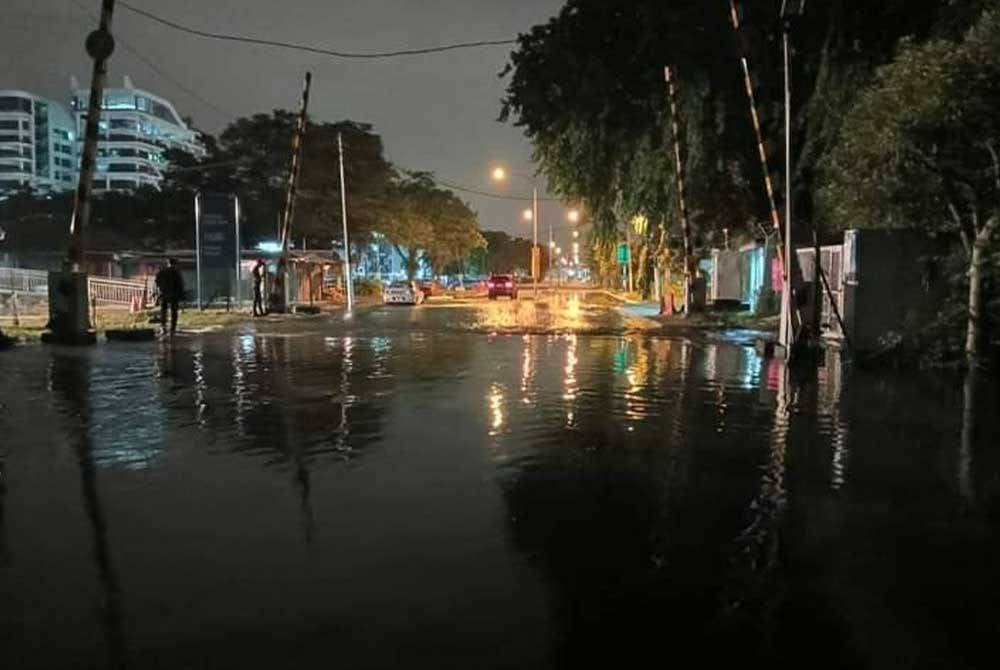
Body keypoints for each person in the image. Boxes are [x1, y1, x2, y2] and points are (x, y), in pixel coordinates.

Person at [155, 258, 184, 336]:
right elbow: (180, 285)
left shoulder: (162, 271)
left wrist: (160, 290)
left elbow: (157, 281)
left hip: (164, 294)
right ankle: (172, 329)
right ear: (174, 264)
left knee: (163, 311)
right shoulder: (177, 273)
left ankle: (163, 327)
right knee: (174, 312)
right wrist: (181, 296)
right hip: (174, 295)